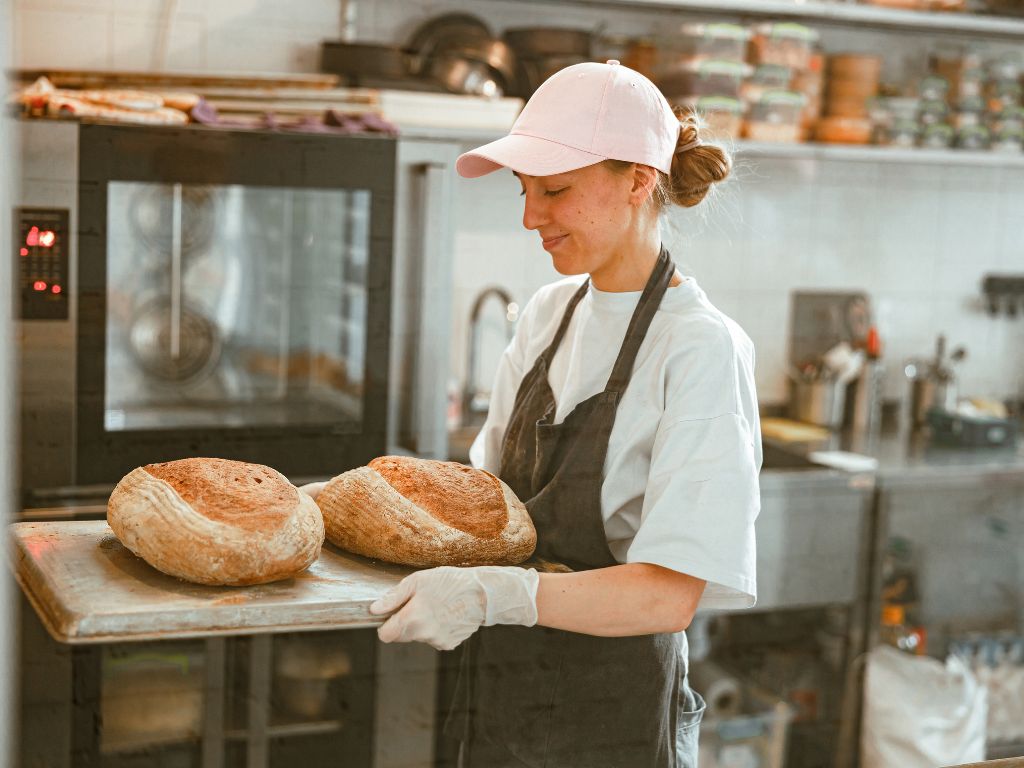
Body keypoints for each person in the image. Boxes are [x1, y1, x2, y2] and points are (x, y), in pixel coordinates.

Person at [370, 60, 762, 767]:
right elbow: (484, 504)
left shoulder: (700, 348)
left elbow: (666, 599)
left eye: (555, 191)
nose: (530, 217)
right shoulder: (549, 316)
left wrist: (495, 595)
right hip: (500, 703)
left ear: (640, 179)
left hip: (613, 722)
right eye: (525, 192)